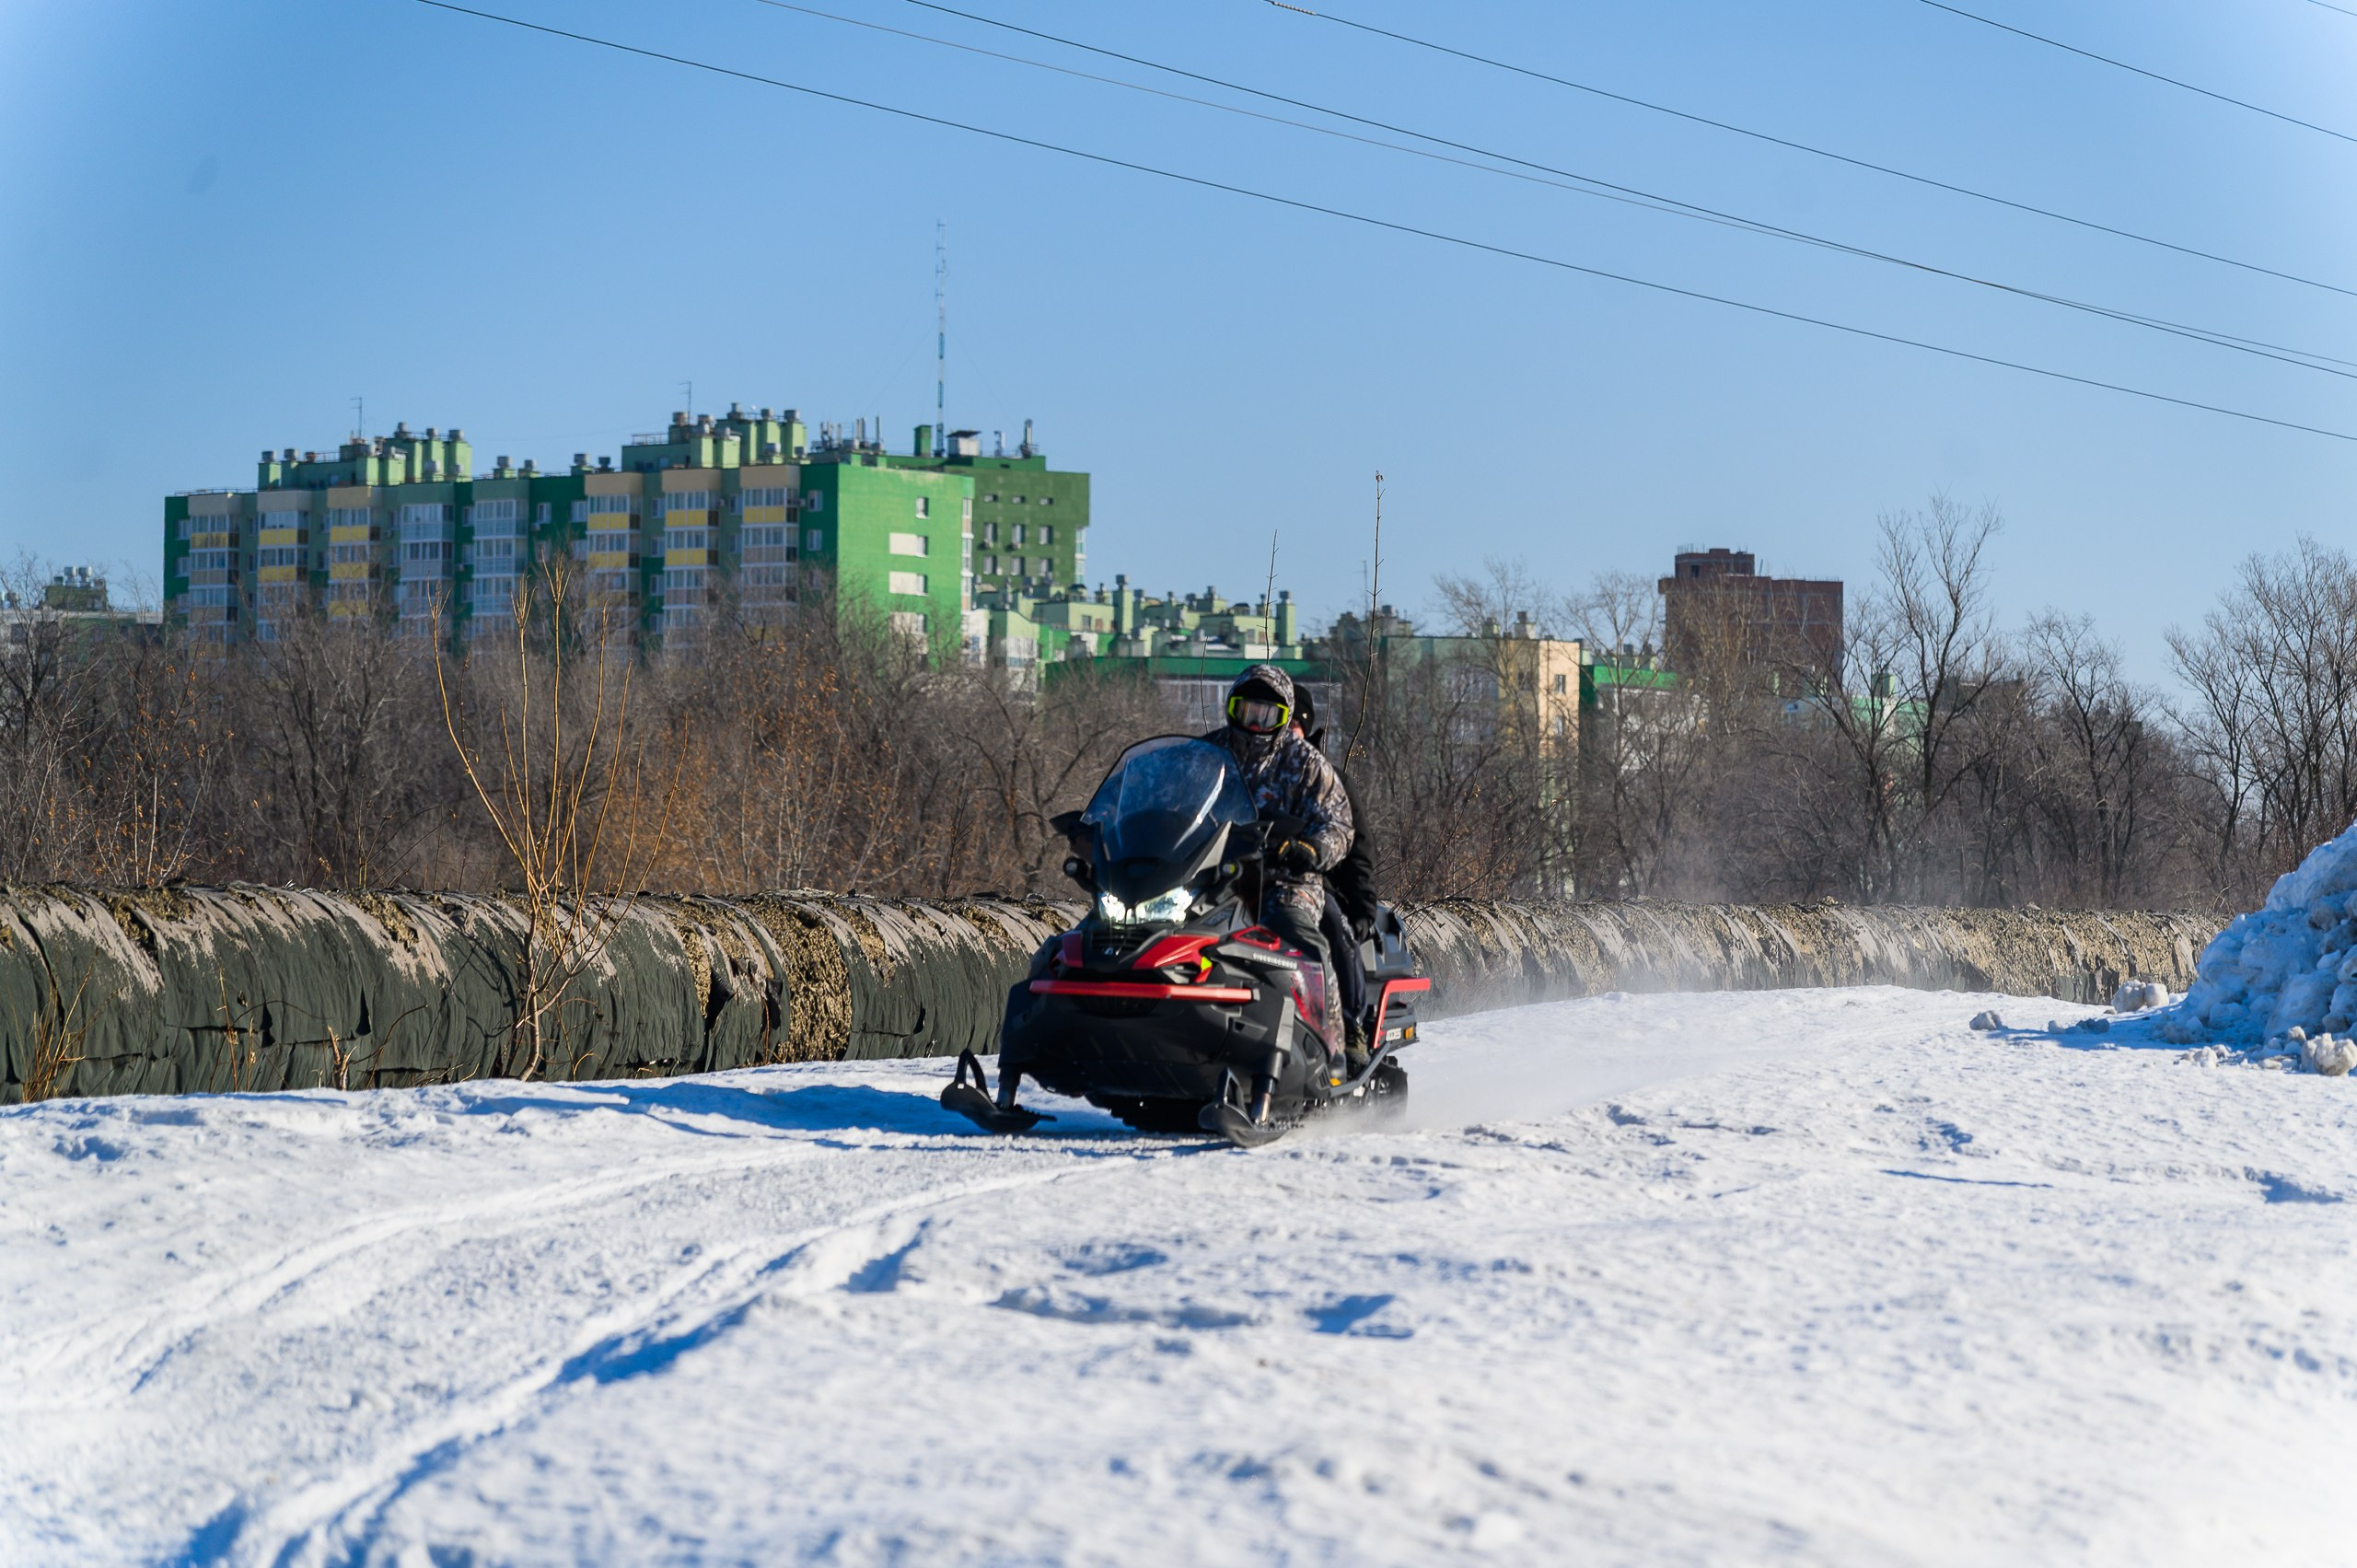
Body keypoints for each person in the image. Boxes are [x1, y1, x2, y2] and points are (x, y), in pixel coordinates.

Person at [1208, 665, 1356, 1061]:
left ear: (1284, 717)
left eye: (1268, 715)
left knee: (1303, 939)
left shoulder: (1305, 764)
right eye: (1247, 711)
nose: (1256, 723)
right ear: (1232, 709)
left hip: (1283, 883)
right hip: (1210, 880)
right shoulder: (1208, 755)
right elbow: (1166, 799)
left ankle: (1331, 1047)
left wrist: (1311, 849)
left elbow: (1338, 825)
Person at [1292, 684, 1377, 1065]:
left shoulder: (1329, 780)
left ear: (1304, 728)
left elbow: (1357, 849)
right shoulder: (1243, 773)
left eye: (1291, 723)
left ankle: (1351, 1024)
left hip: (1310, 883)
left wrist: (1362, 910)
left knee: (1332, 925)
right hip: (1240, 882)